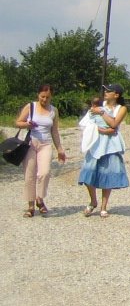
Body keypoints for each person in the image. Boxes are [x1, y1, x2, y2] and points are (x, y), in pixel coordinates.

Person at [15, 83, 67, 218]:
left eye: (47, 97)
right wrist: (27, 124)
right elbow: (18, 122)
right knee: (29, 175)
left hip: (46, 144)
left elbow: (54, 131)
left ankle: (40, 198)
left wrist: (60, 149)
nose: (44, 100)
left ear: (51, 97)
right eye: (42, 96)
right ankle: (30, 206)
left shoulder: (53, 111)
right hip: (31, 143)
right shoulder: (30, 106)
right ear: (38, 95)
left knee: (44, 172)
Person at [78, 83, 129, 218]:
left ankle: (104, 206)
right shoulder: (99, 105)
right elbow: (87, 123)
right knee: (88, 172)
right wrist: (102, 129)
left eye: (109, 91)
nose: (105, 92)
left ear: (116, 95)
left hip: (111, 146)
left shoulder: (121, 108)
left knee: (108, 174)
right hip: (95, 143)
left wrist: (101, 113)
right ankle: (93, 200)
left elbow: (114, 124)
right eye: (105, 90)